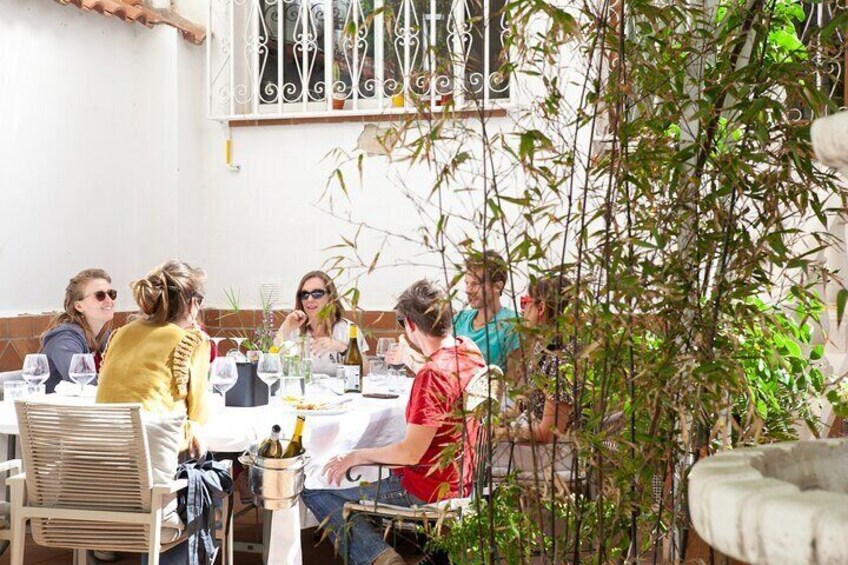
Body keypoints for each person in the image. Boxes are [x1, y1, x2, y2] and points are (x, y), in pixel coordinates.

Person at [301, 280, 485, 565]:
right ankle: (425, 556)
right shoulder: (468, 351)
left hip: (427, 488)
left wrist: (354, 456)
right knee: (359, 470)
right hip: (462, 480)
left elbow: (410, 452)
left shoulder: (434, 374)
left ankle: (380, 558)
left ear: (411, 324)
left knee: (314, 485)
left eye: (401, 322)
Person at [97, 260, 211, 457]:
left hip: (106, 455)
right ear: (192, 303)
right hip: (156, 460)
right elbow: (198, 413)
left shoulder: (119, 334)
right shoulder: (191, 340)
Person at [274, 270, 367, 375]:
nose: (309, 299)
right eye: (304, 294)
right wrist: (286, 327)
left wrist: (343, 348)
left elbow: (365, 371)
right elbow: (271, 365)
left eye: (317, 293)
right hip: (302, 390)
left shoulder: (348, 328)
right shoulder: (293, 328)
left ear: (330, 297)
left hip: (337, 390)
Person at [517, 273, 574, 443]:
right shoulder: (543, 345)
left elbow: (548, 433)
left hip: (560, 456)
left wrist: (507, 432)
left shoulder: (563, 360)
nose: (522, 311)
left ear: (540, 308)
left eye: (524, 303)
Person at [40, 268, 116, 393]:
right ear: (79, 306)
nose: (109, 301)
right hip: (54, 410)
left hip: (90, 408)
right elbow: (80, 381)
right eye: (100, 295)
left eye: (111, 294)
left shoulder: (105, 336)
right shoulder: (64, 339)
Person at [452, 250, 519, 371]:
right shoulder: (458, 320)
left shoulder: (512, 325)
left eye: (475, 283)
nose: (468, 290)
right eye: (467, 283)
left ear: (497, 287)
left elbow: (514, 381)